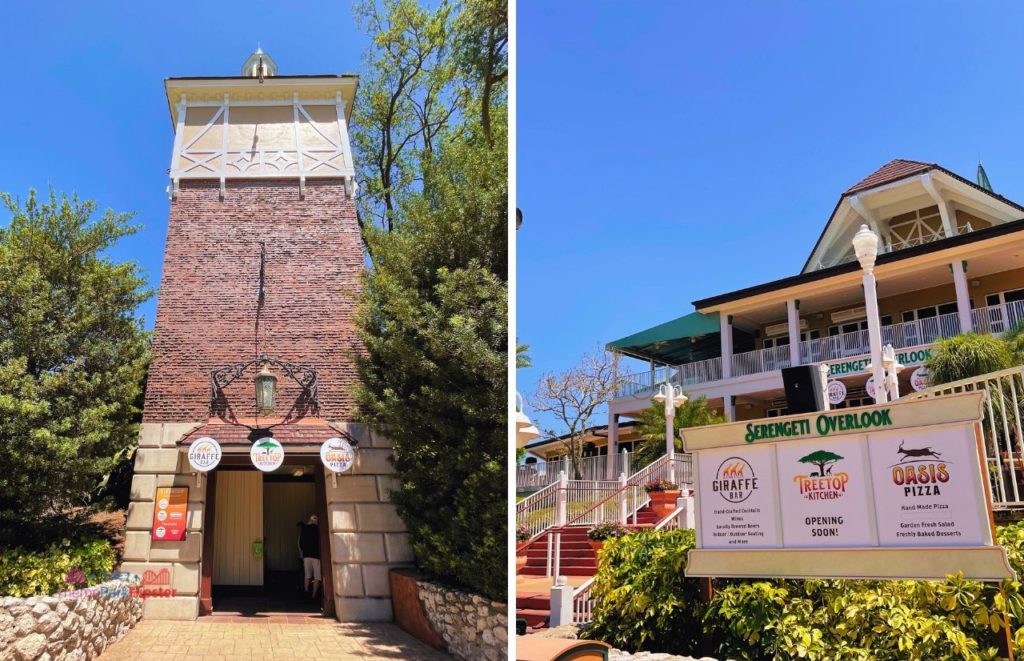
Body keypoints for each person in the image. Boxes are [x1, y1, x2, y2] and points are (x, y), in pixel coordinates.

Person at [298, 514, 321, 599]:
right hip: (316, 556)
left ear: (310, 520)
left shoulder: (304, 528)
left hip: (306, 555)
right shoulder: (318, 529)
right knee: (317, 577)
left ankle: (306, 592)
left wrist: (303, 553)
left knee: (307, 575)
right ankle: (314, 596)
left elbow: (300, 543)